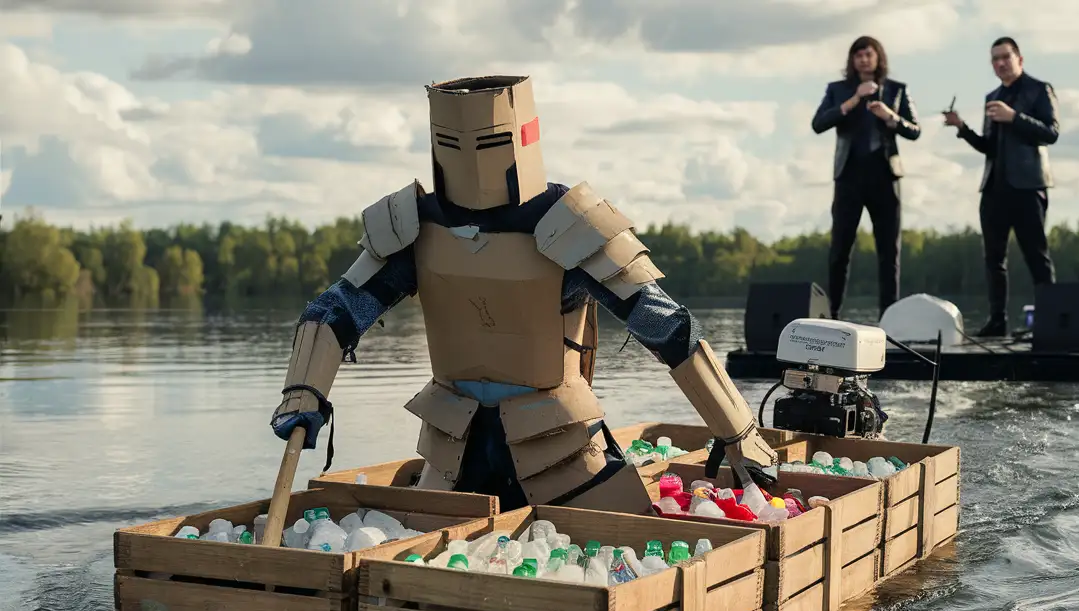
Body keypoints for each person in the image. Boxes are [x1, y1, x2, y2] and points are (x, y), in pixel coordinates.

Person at [268, 75, 777, 515]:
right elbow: (334, 313)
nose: (473, 158)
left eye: (489, 142)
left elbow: (667, 328)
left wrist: (739, 433)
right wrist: (303, 395)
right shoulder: (416, 228)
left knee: (620, 556)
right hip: (455, 454)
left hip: (561, 455)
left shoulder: (565, 226)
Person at [944, 36, 1060, 337]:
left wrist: (1015, 117)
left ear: (1019, 59)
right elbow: (989, 147)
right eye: (994, 59)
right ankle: (998, 320)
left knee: (1037, 255)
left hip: (1028, 186)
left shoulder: (1039, 89)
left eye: (1005, 57)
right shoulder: (992, 96)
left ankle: (1050, 320)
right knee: (994, 258)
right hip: (994, 187)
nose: (1000, 63)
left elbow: (1051, 133)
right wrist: (962, 128)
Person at [811, 35, 920, 320]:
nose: (863, 59)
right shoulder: (838, 90)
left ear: (878, 57)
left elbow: (914, 130)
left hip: (885, 178)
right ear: (852, 60)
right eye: (857, 55)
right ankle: (831, 314)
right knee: (840, 249)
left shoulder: (897, 90)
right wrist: (853, 100)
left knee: (889, 251)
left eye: (868, 54)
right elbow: (818, 124)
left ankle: (890, 317)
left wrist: (890, 116)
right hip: (849, 179)